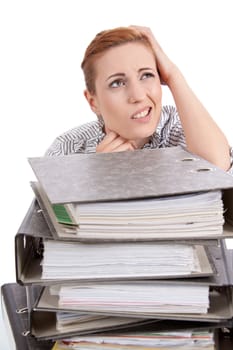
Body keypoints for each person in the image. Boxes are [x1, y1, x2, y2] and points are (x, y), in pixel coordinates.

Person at [46, 25, 233, 173]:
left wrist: (174, 75)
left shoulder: (181, 128)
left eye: (146, 75)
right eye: (117, 83)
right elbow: (49, 218)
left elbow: (218, 167)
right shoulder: (67, 149)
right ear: (93, 102)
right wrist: (97, 177)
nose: (138, 96)